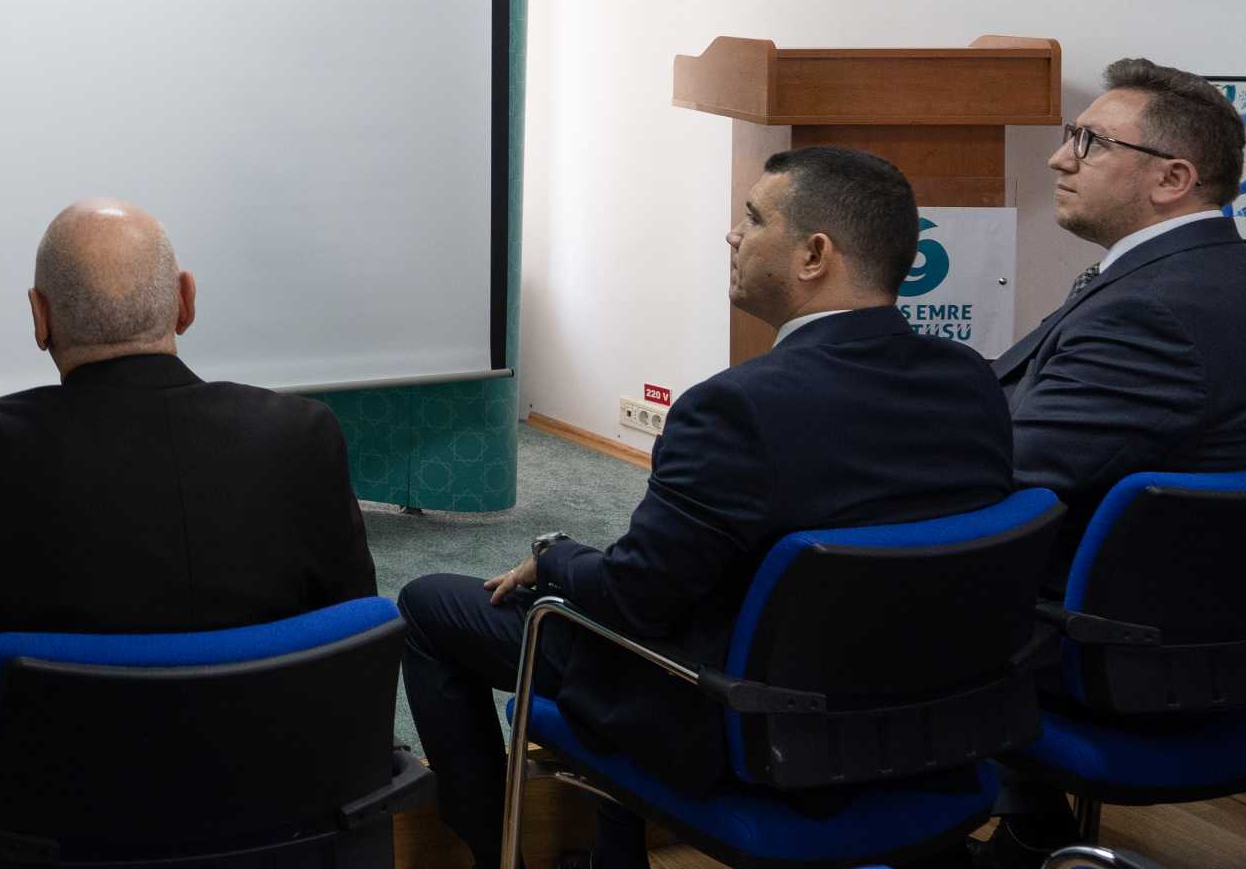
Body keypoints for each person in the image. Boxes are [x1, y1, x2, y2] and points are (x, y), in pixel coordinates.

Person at [398, 147, 1012, 869]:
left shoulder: (735, 408)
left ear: (814, 255)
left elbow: (632, 599)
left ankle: (494, 856)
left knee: (430, 605)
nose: (733, 234)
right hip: (930, 722)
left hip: (741, 720)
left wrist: (555, 554)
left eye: (754, 218)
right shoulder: (970, 381)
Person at [0, 199, 376, 778]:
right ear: (186, 302)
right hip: (284, 797)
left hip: (38, 814)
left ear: (39, 318)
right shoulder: (303, 435)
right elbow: (357, 654)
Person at [981, 59, 1246, 863]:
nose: (1058, 158)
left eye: (1090, 142)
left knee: (848, 573)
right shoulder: (1219, 279)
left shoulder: (1155, 312)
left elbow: (1009, 478)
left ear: (1172, 179)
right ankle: (1027, 829)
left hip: (1128, 651)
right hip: (1228, 632)